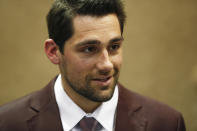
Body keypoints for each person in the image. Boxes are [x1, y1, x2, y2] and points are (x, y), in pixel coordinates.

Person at [0, 0, 186, 131]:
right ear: (54, 51)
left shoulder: (166, 123)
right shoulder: (7, 123)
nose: (106, 64)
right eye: (89, 49)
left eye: (114, 47)